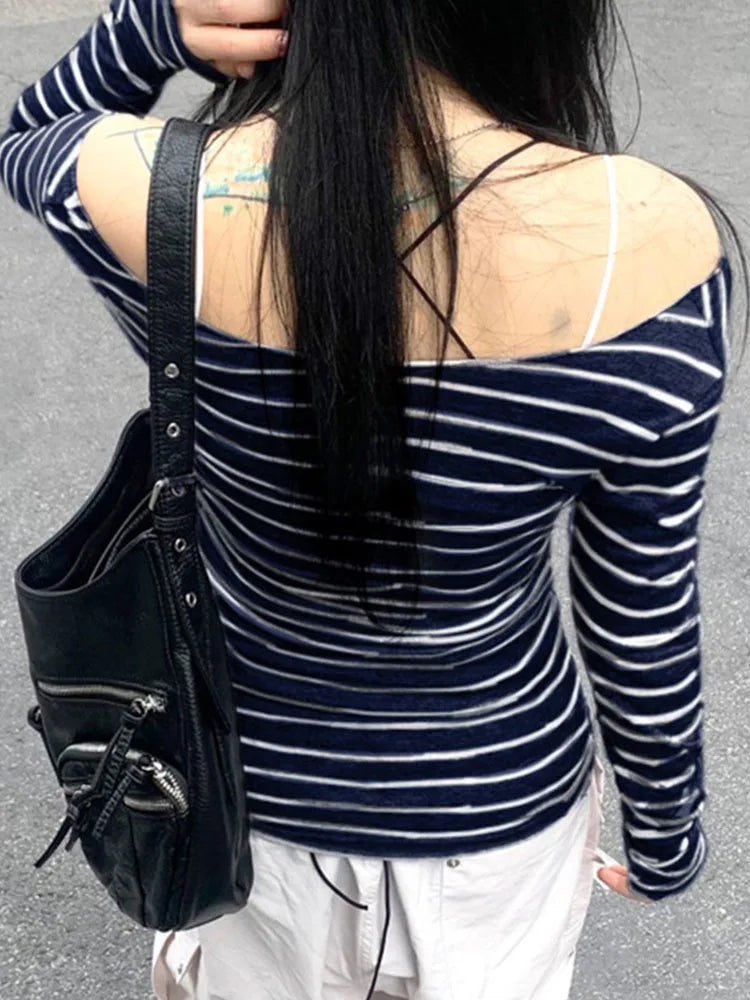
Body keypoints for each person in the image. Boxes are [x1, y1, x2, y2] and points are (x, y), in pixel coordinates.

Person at [0, 1, 745, 998]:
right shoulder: (653, 242)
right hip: (499, 821)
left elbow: (30, 136)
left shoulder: (164, 198)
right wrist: (665, 833)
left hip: (241, 811)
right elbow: (637, 608)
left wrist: (157, 29)